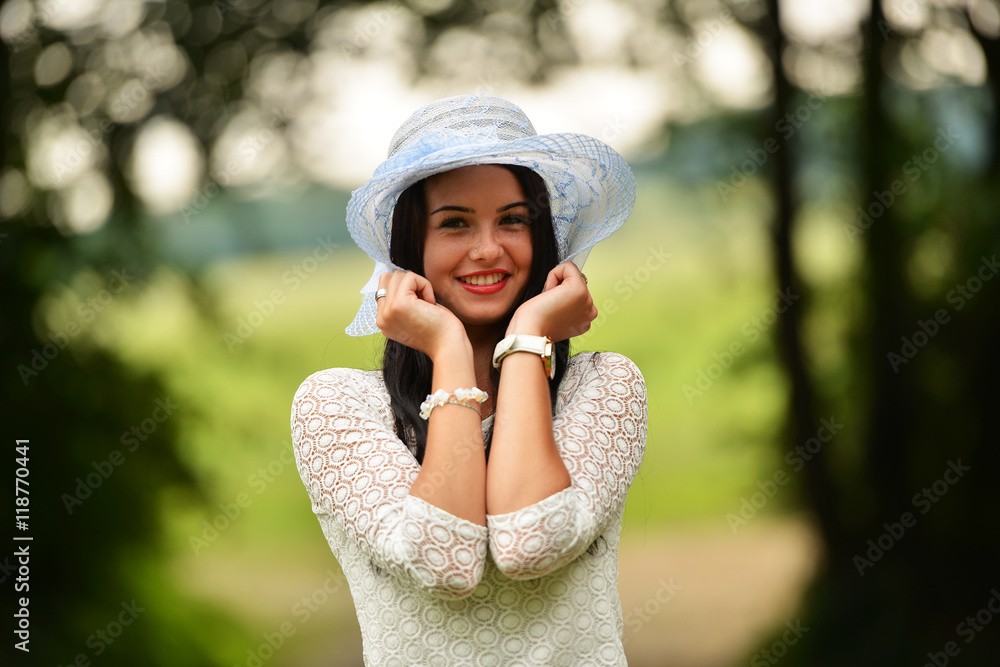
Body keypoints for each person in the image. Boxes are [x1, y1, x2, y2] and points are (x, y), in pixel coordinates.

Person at [291, 94, 647, 666]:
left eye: (512, 220)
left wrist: (529, 336)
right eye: (455, 223)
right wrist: (448, 346)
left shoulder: (602, 387)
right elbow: (447, 561)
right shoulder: (337, 406)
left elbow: (530, 541)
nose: (489, 249)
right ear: (410, 249)